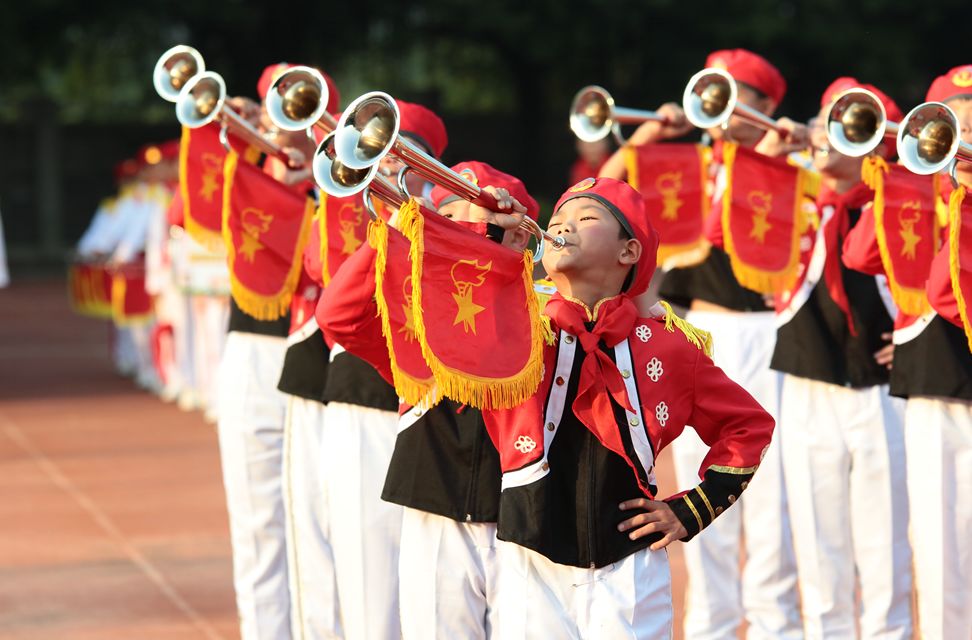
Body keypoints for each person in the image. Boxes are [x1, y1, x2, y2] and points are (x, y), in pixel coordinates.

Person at [413, 175, 775, 638]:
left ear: (628, 252)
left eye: (586, 218)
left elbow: (747, 426)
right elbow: (452, 297)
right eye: (558, 218)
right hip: (528, 564)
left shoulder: (669, 346)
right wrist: (492, 236)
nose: (563, 226)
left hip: (631, 570)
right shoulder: (515, 327)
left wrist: (691, 510)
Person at [603, 48, 805, 640]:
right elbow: (603, 194)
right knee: (697, 475)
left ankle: (776, 627)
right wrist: (647, 137)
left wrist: (782, 149)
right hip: (694, 331)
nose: (731, 103)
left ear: (770, 106)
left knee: (770, 492)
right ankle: (713, 626)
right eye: (721, 90)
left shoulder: (790, 160)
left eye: (747, 94)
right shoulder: (680, 164)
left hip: (768, 332)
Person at [319, 161, 538, 639]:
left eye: (478, 220)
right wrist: (401, 226)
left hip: (524, 520)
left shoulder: (543, 309)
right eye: (449, 218)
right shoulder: (413, 311)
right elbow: (337, 315)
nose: (462, 231)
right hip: (435, 506)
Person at [772, 78, 912, 639]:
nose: (826, 131)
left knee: (885, 549)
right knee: (816, 544)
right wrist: (767, 154)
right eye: (825, 116)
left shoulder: (902, 204)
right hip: (808, 386)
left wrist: (915, 337)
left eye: (846, 122)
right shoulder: (790, 191)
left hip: (881, 393)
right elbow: (715, 228)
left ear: (875, 140)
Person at [316, 100, 449, 640]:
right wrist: (388, 222)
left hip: (432, 411)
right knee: (369, 582)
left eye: (402, 156)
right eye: (379, 154)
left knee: (433, 592)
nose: (389, 167)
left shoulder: (454, 217)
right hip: (360, 399)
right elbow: (319, 280)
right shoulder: (348, 203)